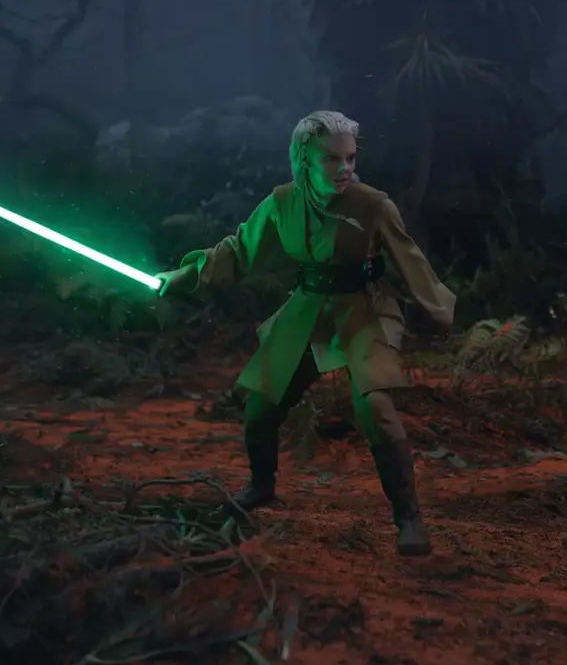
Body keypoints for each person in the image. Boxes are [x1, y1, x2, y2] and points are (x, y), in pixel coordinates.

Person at [155, 111, 456, 557]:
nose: (344, 168)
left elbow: (411, 261)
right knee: (262, 402)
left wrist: (440, 314)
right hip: (308, 309)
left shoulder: (373, 205)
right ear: (303, 159)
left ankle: (408, 517)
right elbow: (240, 249)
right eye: (332, 159)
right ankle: (261, 487)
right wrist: (186, 274)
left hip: (363, 309)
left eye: (350, 158)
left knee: (374, 406)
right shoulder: (282, 203)